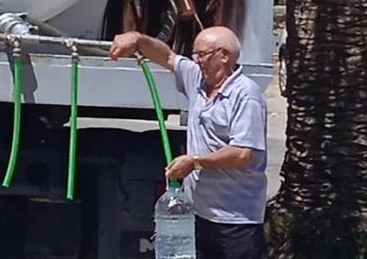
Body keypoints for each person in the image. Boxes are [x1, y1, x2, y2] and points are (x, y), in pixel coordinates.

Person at [109, 27, 268, 259]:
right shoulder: (197, 80)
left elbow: (242, 153)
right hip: (199, 215)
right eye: (195, 55)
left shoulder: (246, 95)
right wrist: (137, 39)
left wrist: (194, 162)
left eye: (202, 54)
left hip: (235, 221)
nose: (197, 61)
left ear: (224, 56)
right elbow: (168, 57)